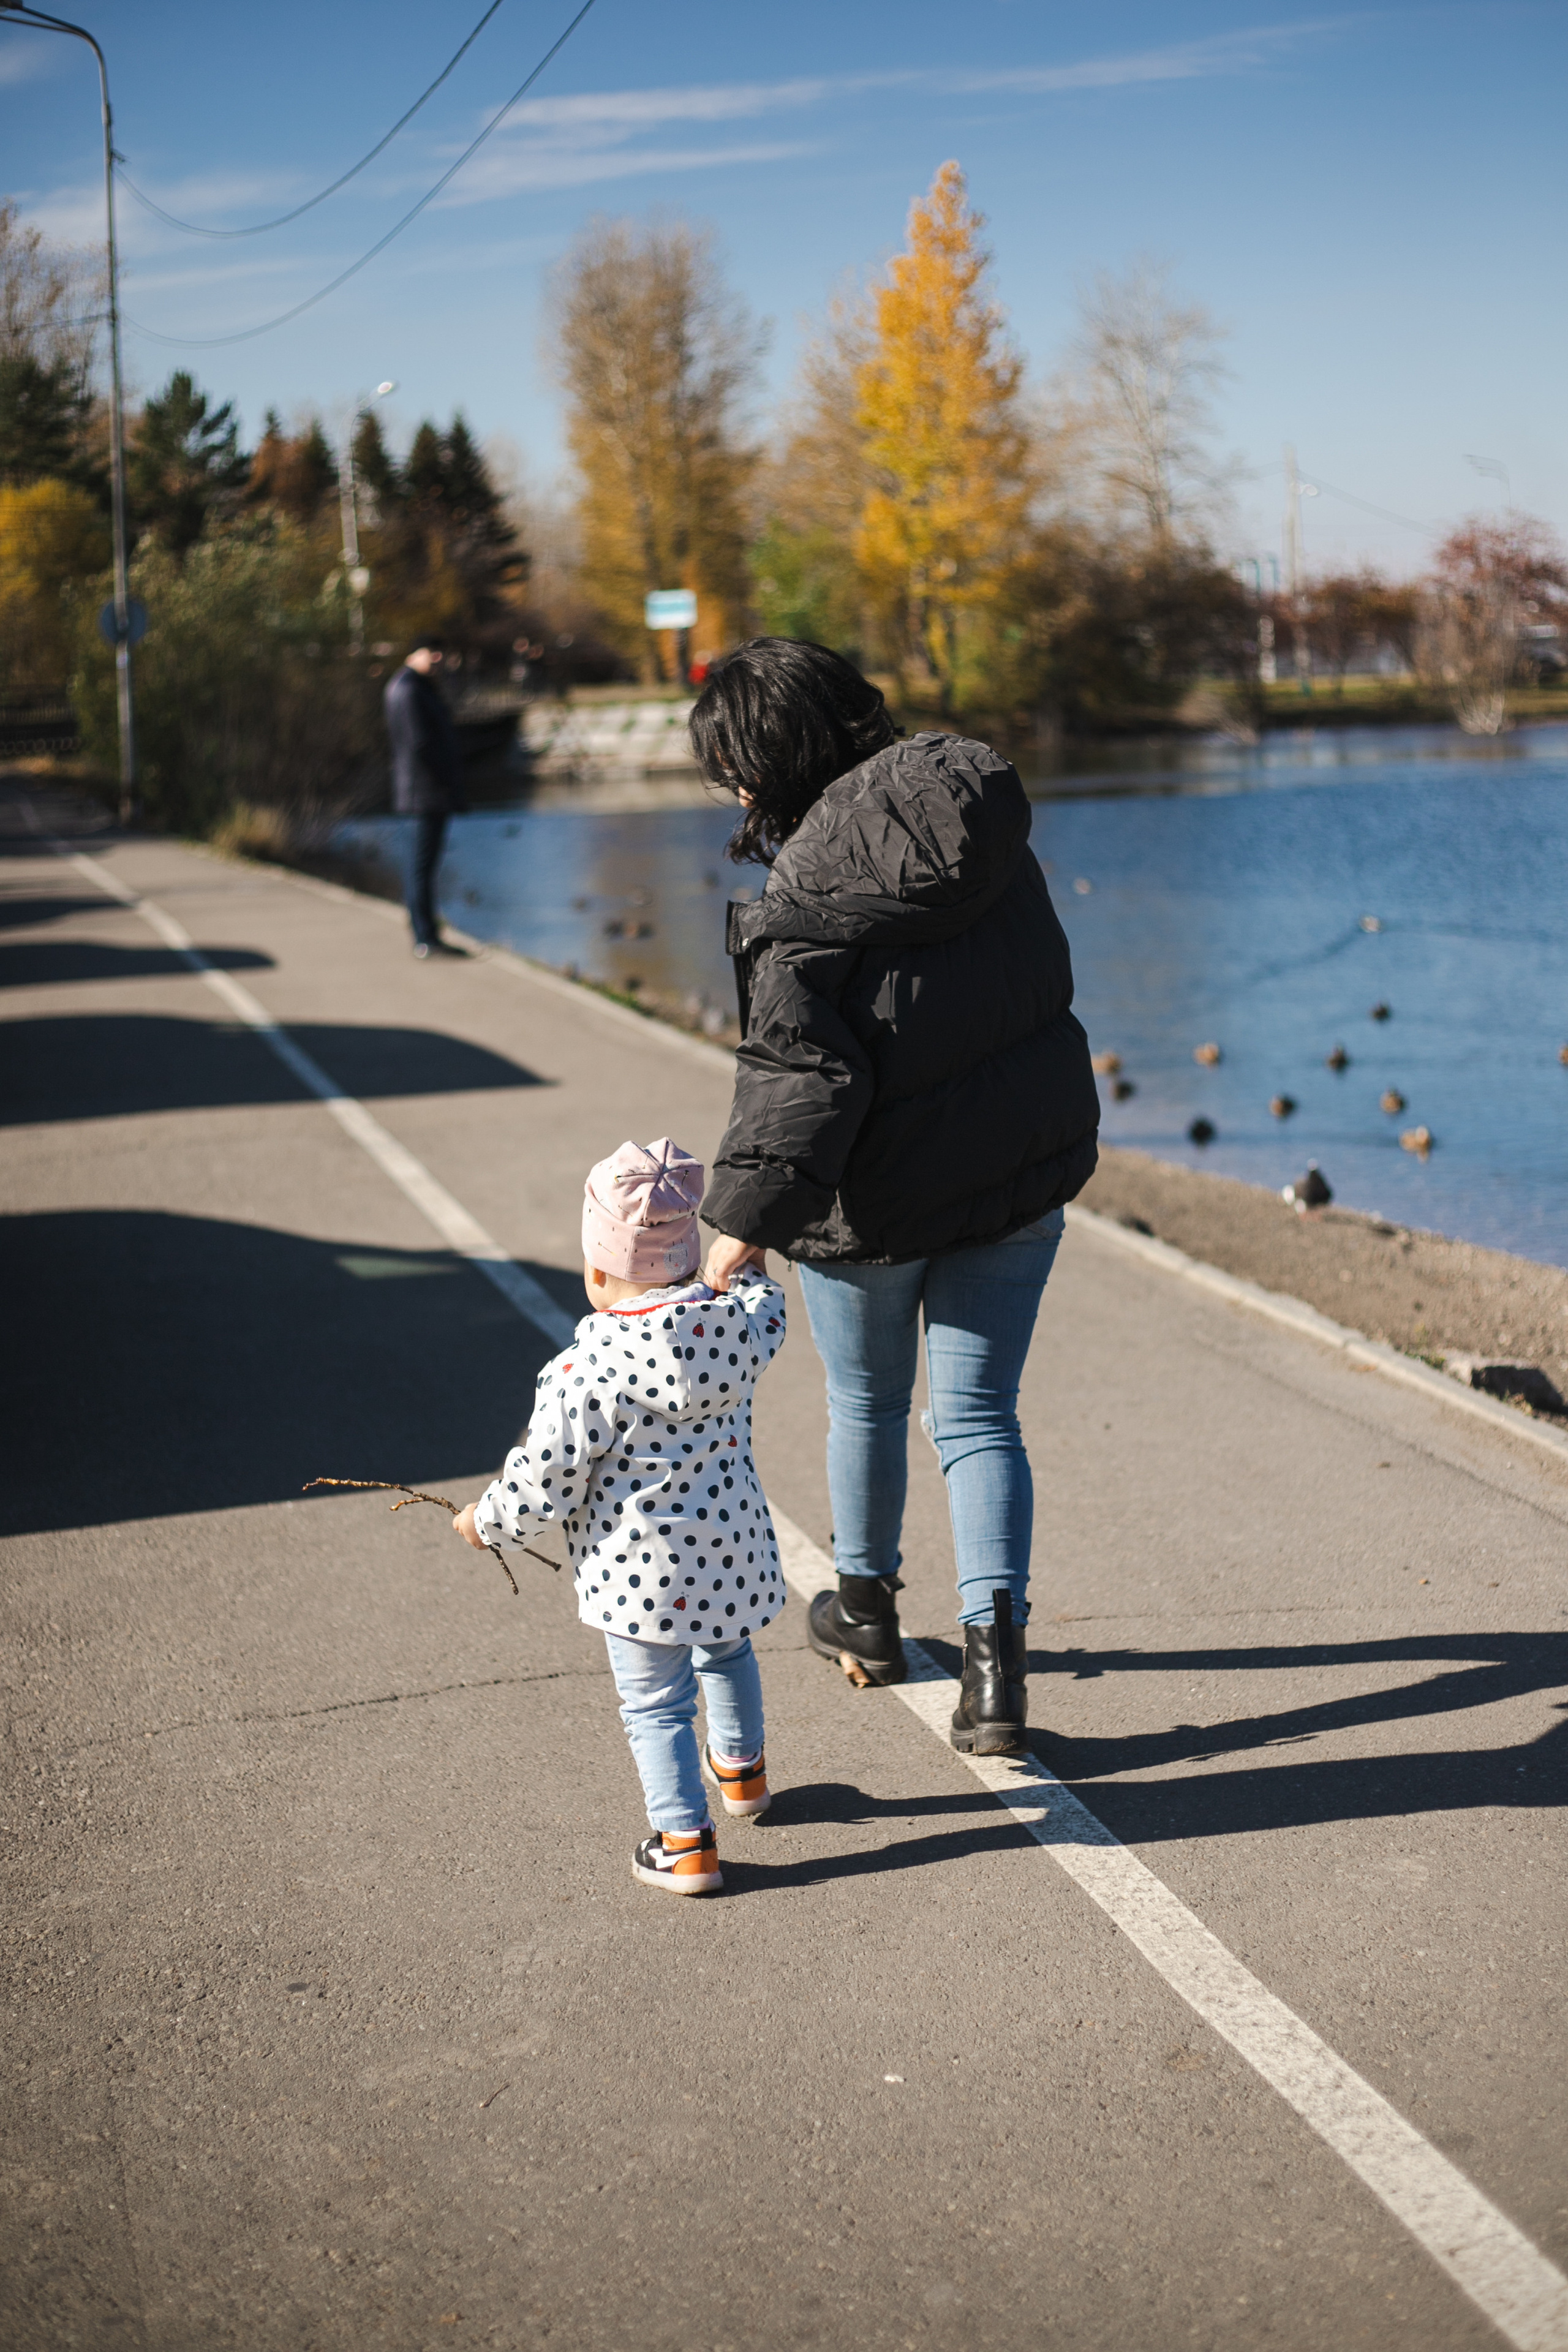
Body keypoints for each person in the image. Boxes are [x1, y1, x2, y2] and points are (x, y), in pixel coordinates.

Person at [693, 639, 1100, 1758]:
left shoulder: (801, 896)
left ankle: (866, 1612)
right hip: (1017, 1167)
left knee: (868, 1405)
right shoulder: (982, 807)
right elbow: (1041, 979)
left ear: (767, 763)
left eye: (732, 766)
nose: (731, 791)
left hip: (873, 1206)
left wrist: (739, 1225)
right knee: (977, 1417)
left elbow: (804, 1080)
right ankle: (994, 1679)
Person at [452, 1138, 788, 1896]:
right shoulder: (737, 1329)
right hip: (729, 1550)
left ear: (599, 1269)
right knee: (727, 1655)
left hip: (637, 1578)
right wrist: (748, 1267)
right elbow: (768, 1309)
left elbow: (546, 1476)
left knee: (655, 1706)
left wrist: (488, 1521)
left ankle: (685, 1843)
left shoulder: (586, 1368)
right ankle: (742, 1776)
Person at [384, 635, 466, 957]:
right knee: (422, 866)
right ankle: (425, 938)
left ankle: (428, 933)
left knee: (424, 865)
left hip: (425, 790)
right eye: (433, 654)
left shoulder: (413, 686)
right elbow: (420, 743)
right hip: (425, 792)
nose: (438, 660)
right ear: (414, 654)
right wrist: (445, 779)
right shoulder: (409, 690)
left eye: (440, 653)